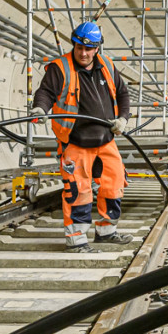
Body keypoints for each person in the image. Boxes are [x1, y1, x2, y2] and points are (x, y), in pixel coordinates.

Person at [29, 21, 132, 250]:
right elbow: (45, 92)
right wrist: (40, 109)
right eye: (78, 47)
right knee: (79, 191)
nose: (83, 53)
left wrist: (123, 118)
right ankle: (76, 239)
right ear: (74, 45)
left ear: (97, 48)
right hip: (76, 143)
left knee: (114, 185)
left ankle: (106, 231)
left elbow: (123, 93)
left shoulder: (106, 65)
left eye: (88, 49)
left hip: (106, 141)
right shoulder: (60, 68)